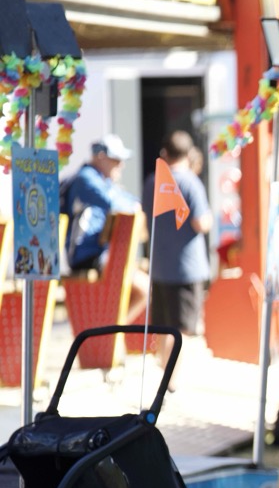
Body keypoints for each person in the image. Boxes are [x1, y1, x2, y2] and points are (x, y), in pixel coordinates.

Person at [141, 130, 213, 385]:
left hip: (160, 265)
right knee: (180, 329)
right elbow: (201, 223)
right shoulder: (191, 183)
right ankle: (169, 380)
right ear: (189, 153)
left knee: (163, 325)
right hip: (186, 267)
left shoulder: (152, 182)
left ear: (165, 153)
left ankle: (163, 369)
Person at [63, 134, 148, 322]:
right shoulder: (86, 178)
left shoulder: (103, 181)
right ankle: (110, 330)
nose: (121, 165)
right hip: (85, 255)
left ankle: (111, 328)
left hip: (100, 253)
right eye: (116, 159)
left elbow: (131, 201)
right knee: (143, 288)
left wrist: (138, 205)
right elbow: (114, 202)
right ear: (101, 157)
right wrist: (136, 206)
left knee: (143, 286)